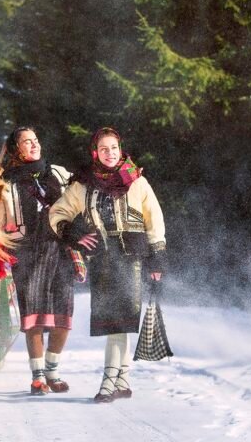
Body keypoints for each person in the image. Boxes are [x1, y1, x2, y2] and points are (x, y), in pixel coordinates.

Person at [48, 127, 168, 403]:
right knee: (114, 323)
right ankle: (123, 380)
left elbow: (155, 220)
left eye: (114, 148)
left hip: (132, 261)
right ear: (95, 153)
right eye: (104, 149)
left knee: (119, 323)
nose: (110, 153)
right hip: (102, 261)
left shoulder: (137, 182)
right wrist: (74, 233)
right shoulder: (83, 185)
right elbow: (57, 213)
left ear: (120, 149)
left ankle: (108, 383)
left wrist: (157, 257)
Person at [1, 127, 75, 395]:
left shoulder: (58, 173)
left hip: (61, 251)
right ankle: (37, 377)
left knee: (62, 316)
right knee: (34, 318)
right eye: (26, 142)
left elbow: (79, 200)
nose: (33, 145)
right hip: (27, 252)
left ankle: (53, 372)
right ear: (15, 149)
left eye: (36, 140)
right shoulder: (5, 182)